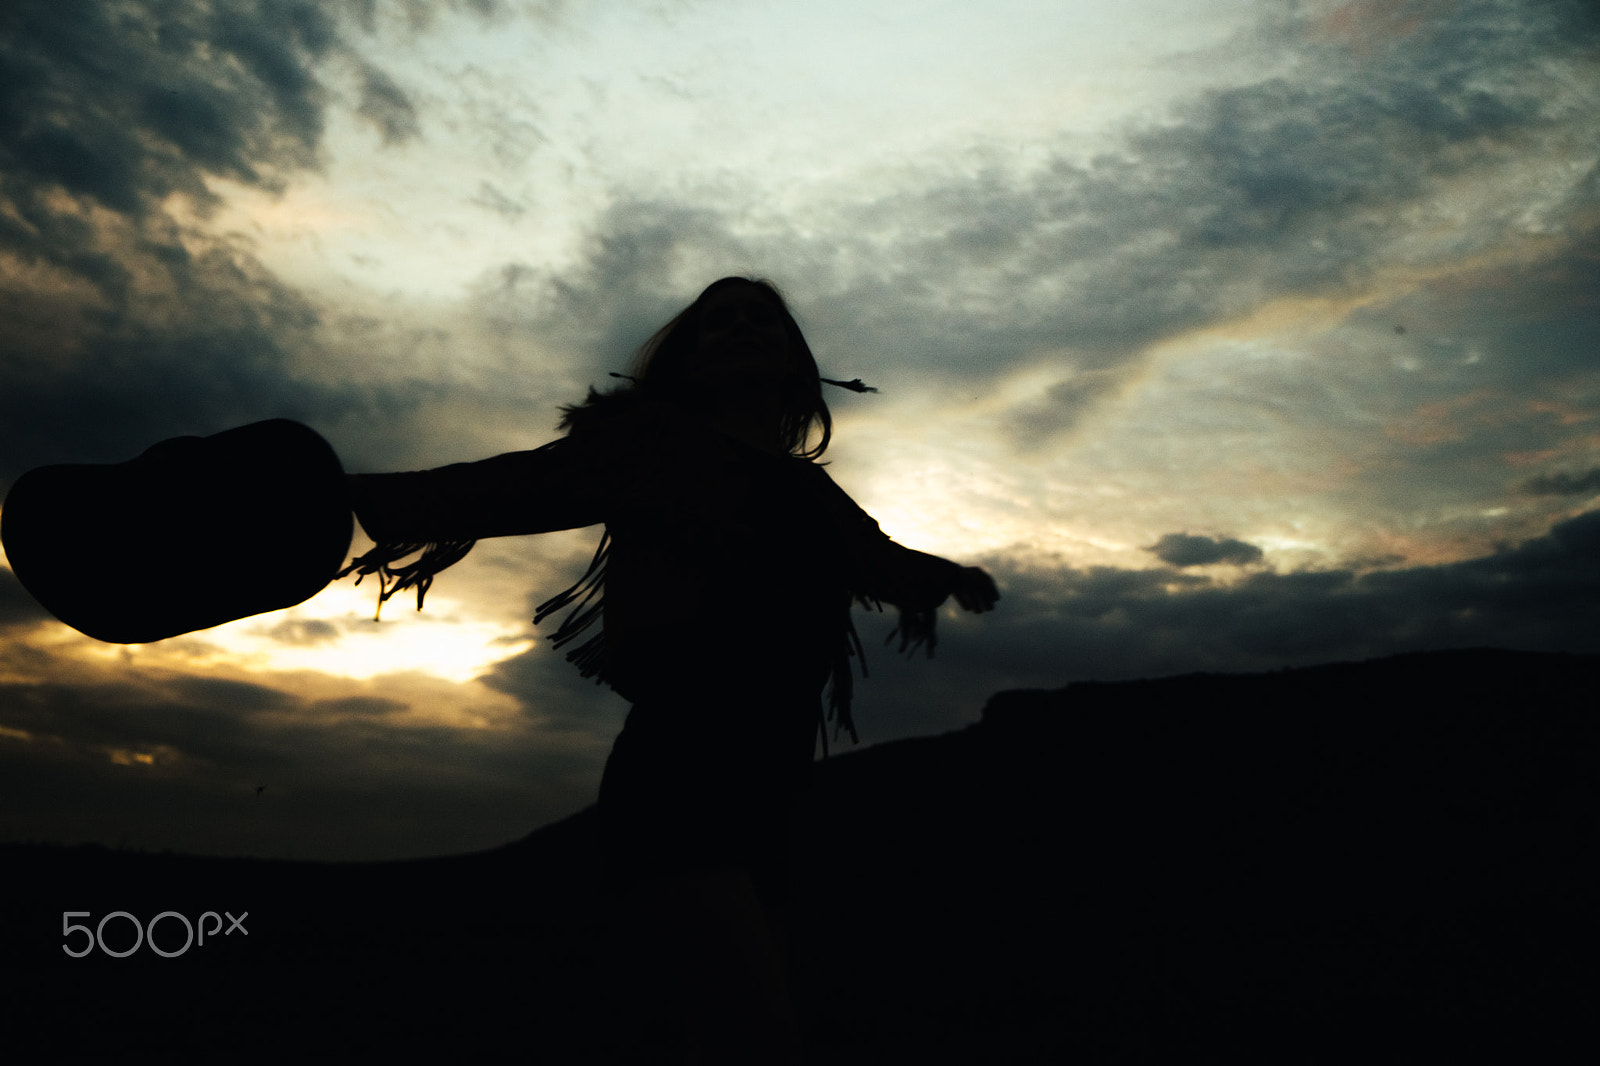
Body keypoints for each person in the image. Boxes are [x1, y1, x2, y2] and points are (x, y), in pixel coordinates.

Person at [341, 277, 999, 1064]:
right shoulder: (653, 445)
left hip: (777, 779)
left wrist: (946, 577)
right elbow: (517, 485)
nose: (745, 328)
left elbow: (877, 558)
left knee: (725, 1019)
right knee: (749, 1028)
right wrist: (348, 495)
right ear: (686, 362)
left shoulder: (808, 489)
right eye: (720, 321)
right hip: (682, 771)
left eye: (763, 319)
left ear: (796, 359)